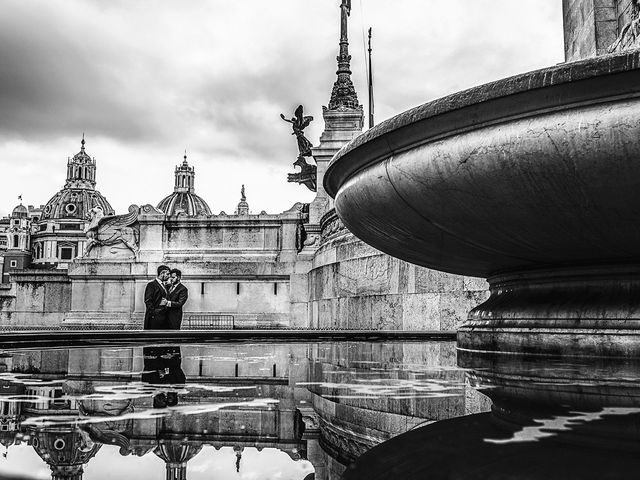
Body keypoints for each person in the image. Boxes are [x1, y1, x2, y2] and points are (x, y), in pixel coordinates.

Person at [144, 265, 170, 329]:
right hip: (154, 319)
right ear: (162, 273)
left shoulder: (165, 285)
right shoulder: (151, 285)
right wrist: (155, 313)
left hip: (163, 318)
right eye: (167, 274)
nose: (169, 276)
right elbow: (148, 301)